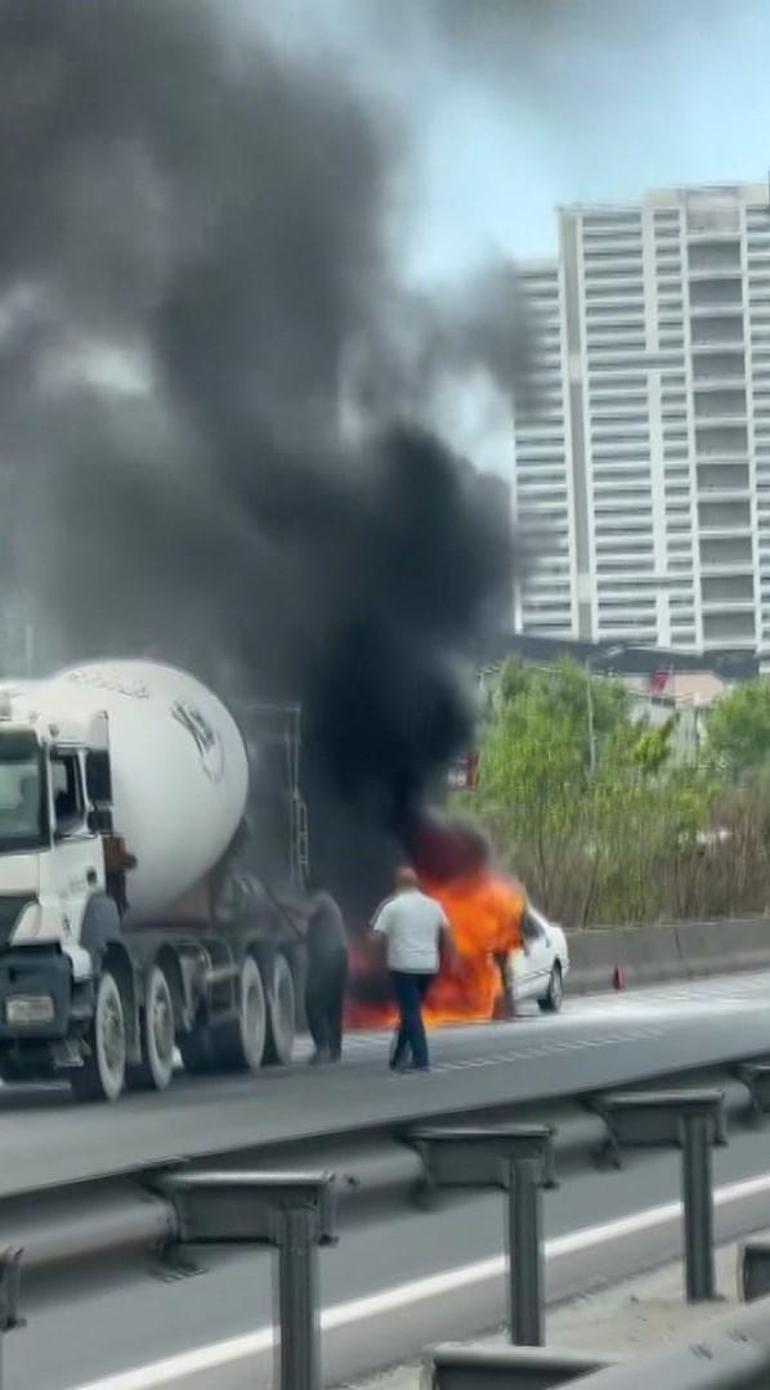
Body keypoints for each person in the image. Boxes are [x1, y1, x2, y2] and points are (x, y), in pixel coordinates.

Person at [372, 865, 453, 1073]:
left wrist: (374, 953)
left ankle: (421, 1059)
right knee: (411, 1012)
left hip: (403, 966)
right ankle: (398, 1056)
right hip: (428, 967)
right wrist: (449, 959)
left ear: (398, 884)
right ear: (417, 884)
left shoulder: (392, 907)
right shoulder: (434, 905)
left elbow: (376, 937)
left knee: (411, 1012)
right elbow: (447, 935)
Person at [304, 885, 349, 1065]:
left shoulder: (320, 899)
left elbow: (306, 912)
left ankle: (322, 1048)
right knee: (333, 1005)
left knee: (313, 1001)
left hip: (327, 958)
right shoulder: (329, 901)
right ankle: (335, 1049)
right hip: (338, 957)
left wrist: (285, 905)